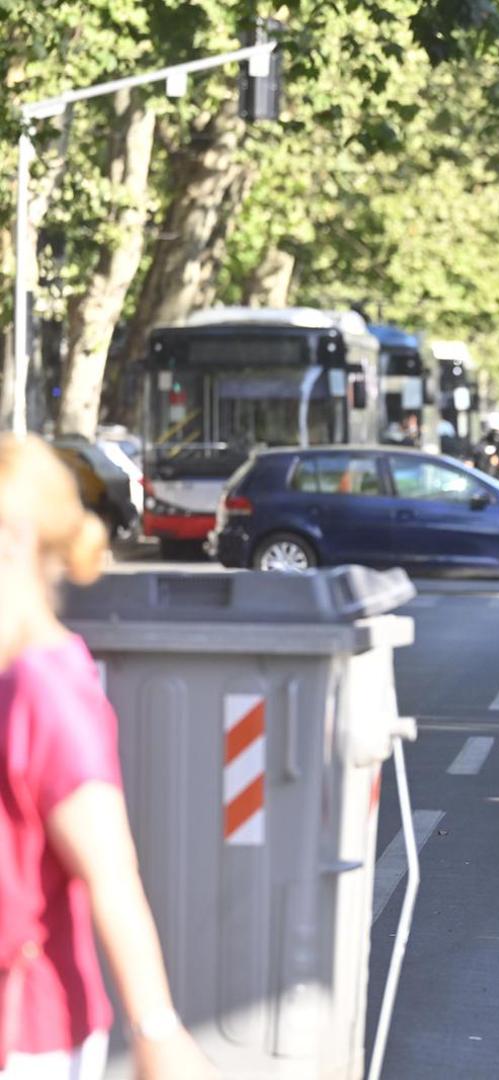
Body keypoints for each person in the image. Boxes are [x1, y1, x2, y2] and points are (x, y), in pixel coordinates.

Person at [0, 436, 213, 1079]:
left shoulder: (46, 691)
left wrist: (156, 1033)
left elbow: (111, 874)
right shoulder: (16, 675)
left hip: (28, 1035)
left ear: (10, 539)